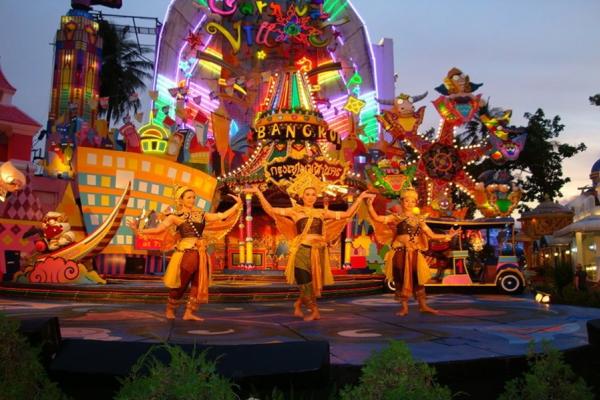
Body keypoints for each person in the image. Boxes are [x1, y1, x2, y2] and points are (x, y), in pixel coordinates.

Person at [244, 171, 369, 321]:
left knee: (312, 284)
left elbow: (347, 214)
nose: (310, 197)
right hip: (302, 250)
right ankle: (315, 311)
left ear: (316, 197)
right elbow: (271, 210)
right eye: (307, 194)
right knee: (304, 282)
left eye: (313, 194)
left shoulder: (322, 212)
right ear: (302, 196)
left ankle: (298, 304)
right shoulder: (295, 211)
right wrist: (258, 192)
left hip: (318, 252)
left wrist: (360, 199)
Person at [128, 186, 242, 321]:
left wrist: (237, 205)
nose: (192, 200)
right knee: (181, 284)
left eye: (194, 197)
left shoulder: (201, 214)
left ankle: (189, 312)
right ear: (181, 200)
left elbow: (221, 216)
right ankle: (170, 309)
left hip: (201, 253)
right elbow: (158, 230)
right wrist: (138, 230)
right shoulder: (175, 217)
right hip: (186, 253)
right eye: (189, 197)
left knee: (197, 283)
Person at [365, 189, 459, 316]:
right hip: (399, 251)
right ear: (401, 201)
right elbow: (377, 218)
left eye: (412, 201)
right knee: (400, 277)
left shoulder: (419, 220)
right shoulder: (396, 217)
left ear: (416, 203)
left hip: (413, 252)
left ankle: (423, 306)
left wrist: (448, 236)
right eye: (406, 201)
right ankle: (404, 308)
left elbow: (431, 235)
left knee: (417, 277)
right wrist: (369, 205)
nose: (409, 203)